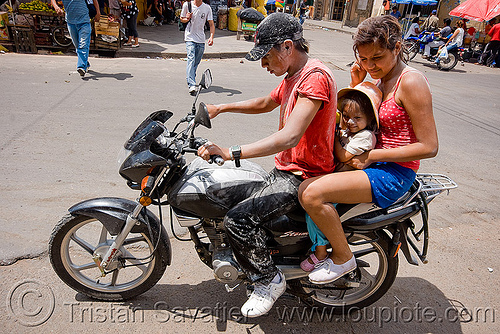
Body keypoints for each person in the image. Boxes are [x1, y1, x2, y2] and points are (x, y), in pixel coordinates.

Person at [197, 13, 337, 317]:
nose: (264, 65)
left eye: (267, 57)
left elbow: (289, 136)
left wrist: (231, 151)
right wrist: (221, 107)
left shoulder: (315, 77)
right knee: (227, 194)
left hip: (302, 175)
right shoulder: (294, 75)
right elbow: (267, 102)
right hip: (286, 168)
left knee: (238, 219)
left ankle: (267, 280)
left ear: (287, 47)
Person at [298, 15, 438, 285]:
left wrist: (372, 156)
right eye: (363, 59)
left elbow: (429, 147)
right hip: (371, 163)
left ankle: (342, 257)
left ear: (397, 48)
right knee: (304, 182)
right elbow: (357, 118)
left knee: (313, 194)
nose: (370, 65)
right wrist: (358, 80)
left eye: (377, 58)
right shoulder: (378, 79)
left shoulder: (411, 82)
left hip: (394, 172)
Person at [299, 82, 382, 272]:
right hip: (337, 176)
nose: (350, 122)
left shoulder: (365, 136)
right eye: (346, 117)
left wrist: (335, 136)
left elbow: (343, 156)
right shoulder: (351, 131)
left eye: (357, 118)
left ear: (370, 119)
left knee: (314, 210)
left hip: (347, 184)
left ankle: (320, 251)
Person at [51, 0, 100, 77]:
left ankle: (81, 67)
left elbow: (94, 0)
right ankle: (85, 62)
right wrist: (56, 7)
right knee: (77, 45)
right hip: (71, 22)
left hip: (84, 22)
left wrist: (98, 12)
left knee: (83, 44)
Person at [180, 0, 215, 95]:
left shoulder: (207, 8)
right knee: (191, 59)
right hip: (189, 37)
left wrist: (211, 37)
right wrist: (186, 19)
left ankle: (191, 76)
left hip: (201, 39)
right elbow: (181, 18)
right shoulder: (187, 5)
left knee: (196, 62)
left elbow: (211, 24)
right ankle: (191, 84)